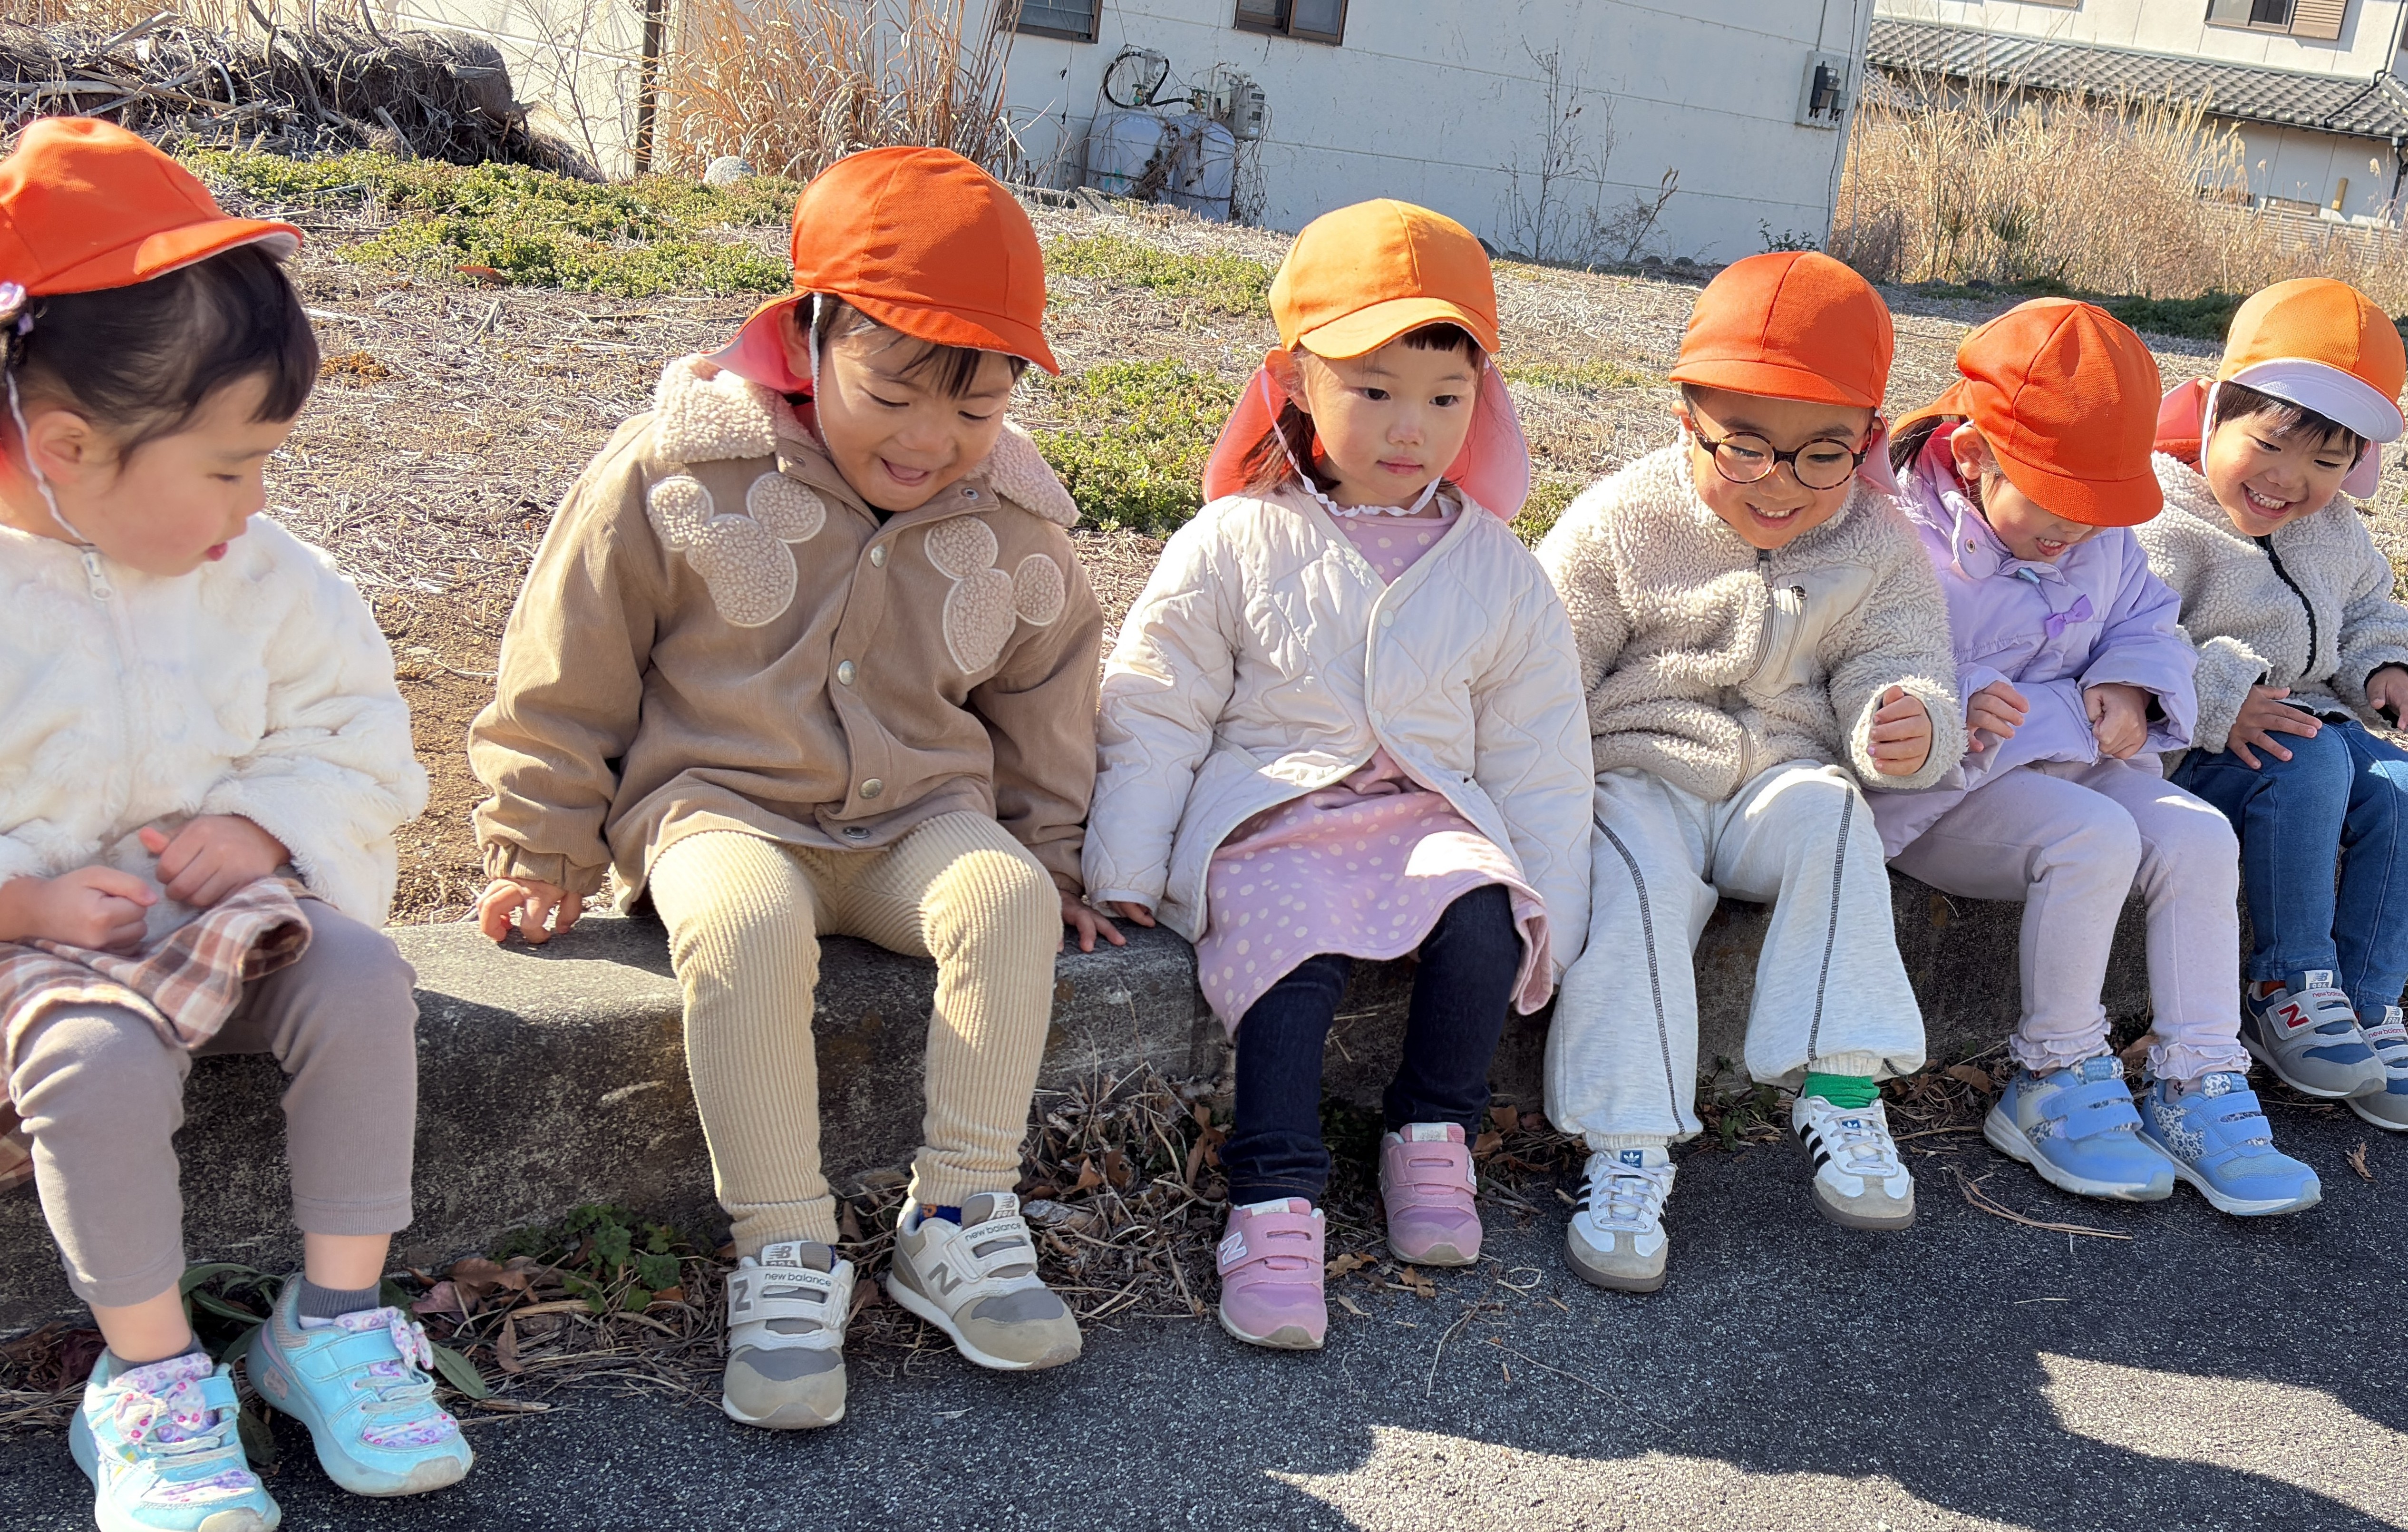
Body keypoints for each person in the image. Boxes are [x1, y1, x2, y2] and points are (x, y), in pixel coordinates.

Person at [470, 147, 1104, 1428]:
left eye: (978, 410)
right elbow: (569, 657)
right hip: (719, 807)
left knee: (1006, 900)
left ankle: (958, 1216)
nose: (930, 441)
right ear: (808, 333)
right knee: (747, 923)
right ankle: (784, 1249)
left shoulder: (1014, 517)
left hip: (914, 820)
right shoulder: (678, 471)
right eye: (892, 394)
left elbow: (1046, 699)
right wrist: (541, 840)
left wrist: (1053, 854)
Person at [0, 120, 463, 1530]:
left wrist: (269, 824)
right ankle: (148, 1378)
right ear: (69, 446)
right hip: (35, 954)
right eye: (226, 467)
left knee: (362, 976)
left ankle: (336, 1319)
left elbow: (353, 730)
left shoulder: (265, 577)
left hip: (219, 922)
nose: (256, 501)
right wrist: (23, 901)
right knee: (94, 1061)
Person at [1084, 201, 1592, 1350]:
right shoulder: (1234, 539)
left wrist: (1555, 910)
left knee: (1483, 917)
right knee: (1290, 952)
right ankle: (1274, 1197)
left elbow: (1540, 752)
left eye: (1446, 398)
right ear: (1296, 383)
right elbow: (1158, 705)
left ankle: (1432, 1132)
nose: (1411, 428)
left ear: (1482, 399)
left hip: (1426, 813)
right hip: (1275, 815)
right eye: (1374, 390)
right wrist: (1127, 864)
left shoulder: (1496, 569)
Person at [1537, 252, 1962, 1293]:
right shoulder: (1624, 519)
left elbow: (1903, 657)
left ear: (1868, 439)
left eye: (1823, 455)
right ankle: (1628, 1142)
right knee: (1633, 882)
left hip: (1781, 774)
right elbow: (1544, 668)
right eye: (1747, 447)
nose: (1782, 483)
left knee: (1836, 821)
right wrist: (1533, 798)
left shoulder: (1878, 540)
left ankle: (1842, 1089)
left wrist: (1908, 720)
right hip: (1641, 770)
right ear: (1686, 418)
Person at [1878, 299, 2318, 1216]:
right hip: (1946, 793)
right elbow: (1883, 667)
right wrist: (1994, 705)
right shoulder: (1900, 536)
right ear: (1974, 455)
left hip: (2070, 766)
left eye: (2097, 508)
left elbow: (2152, 622)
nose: (2076, 530)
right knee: (2092, 838)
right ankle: (2054, 1073)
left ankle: (2196, 1077)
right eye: (2057, 502)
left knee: (2199, 835)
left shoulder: (2100, 535)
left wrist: (2132, 684)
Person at [2143, 277, 2408, 1132]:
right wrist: (2225, 698)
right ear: (2216, 410)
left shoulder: (2334, 531)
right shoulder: (2161, 515)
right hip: (2201, 748)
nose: (2288, 481)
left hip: (2309, 725)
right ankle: (2287, 984)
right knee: (2312, 755)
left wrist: (2385, 666)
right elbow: (2131, 636)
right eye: (2269, 444)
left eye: (2327, 464)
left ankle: (2367, 1002)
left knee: (2401, 787)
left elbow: (2367, 609)